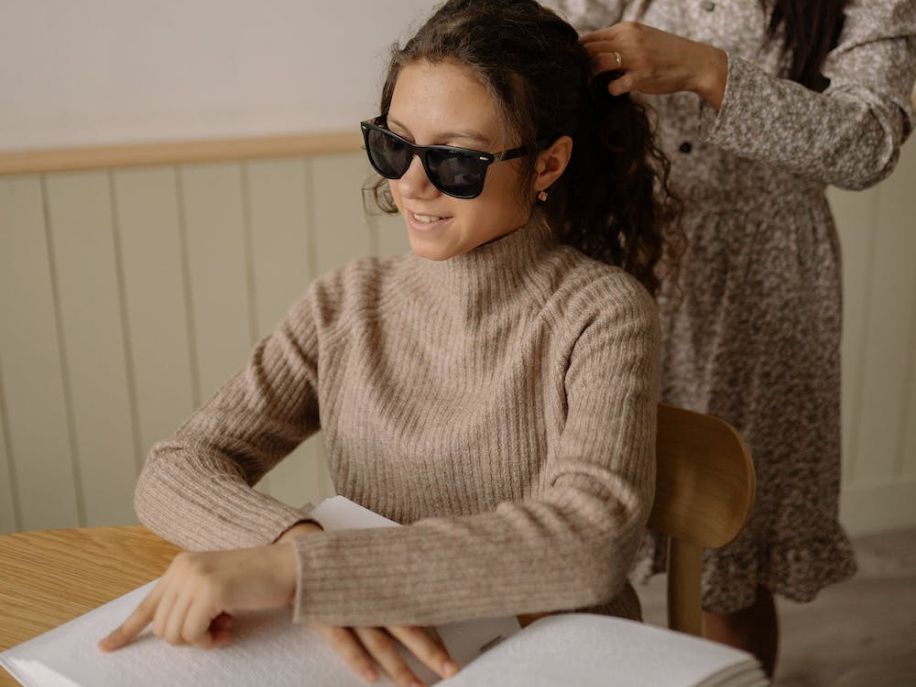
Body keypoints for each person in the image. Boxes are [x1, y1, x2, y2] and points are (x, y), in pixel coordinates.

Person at [97, 2, 683, 686]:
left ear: (548, 163)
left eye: (456, 159)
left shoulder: (602, 312)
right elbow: (175, 467)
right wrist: (291, 543)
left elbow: (589, 542)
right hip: (386, 660)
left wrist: (305, 572)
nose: (409, 182)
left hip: (556, 661)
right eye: (394, 144)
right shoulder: (344, 304)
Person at [547, 0, 916, 678]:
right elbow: (557, 29)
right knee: (585, 514)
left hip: (765, 281)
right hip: (627, 250)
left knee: (730, 545)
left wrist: (707, 70)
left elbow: (869, 143)